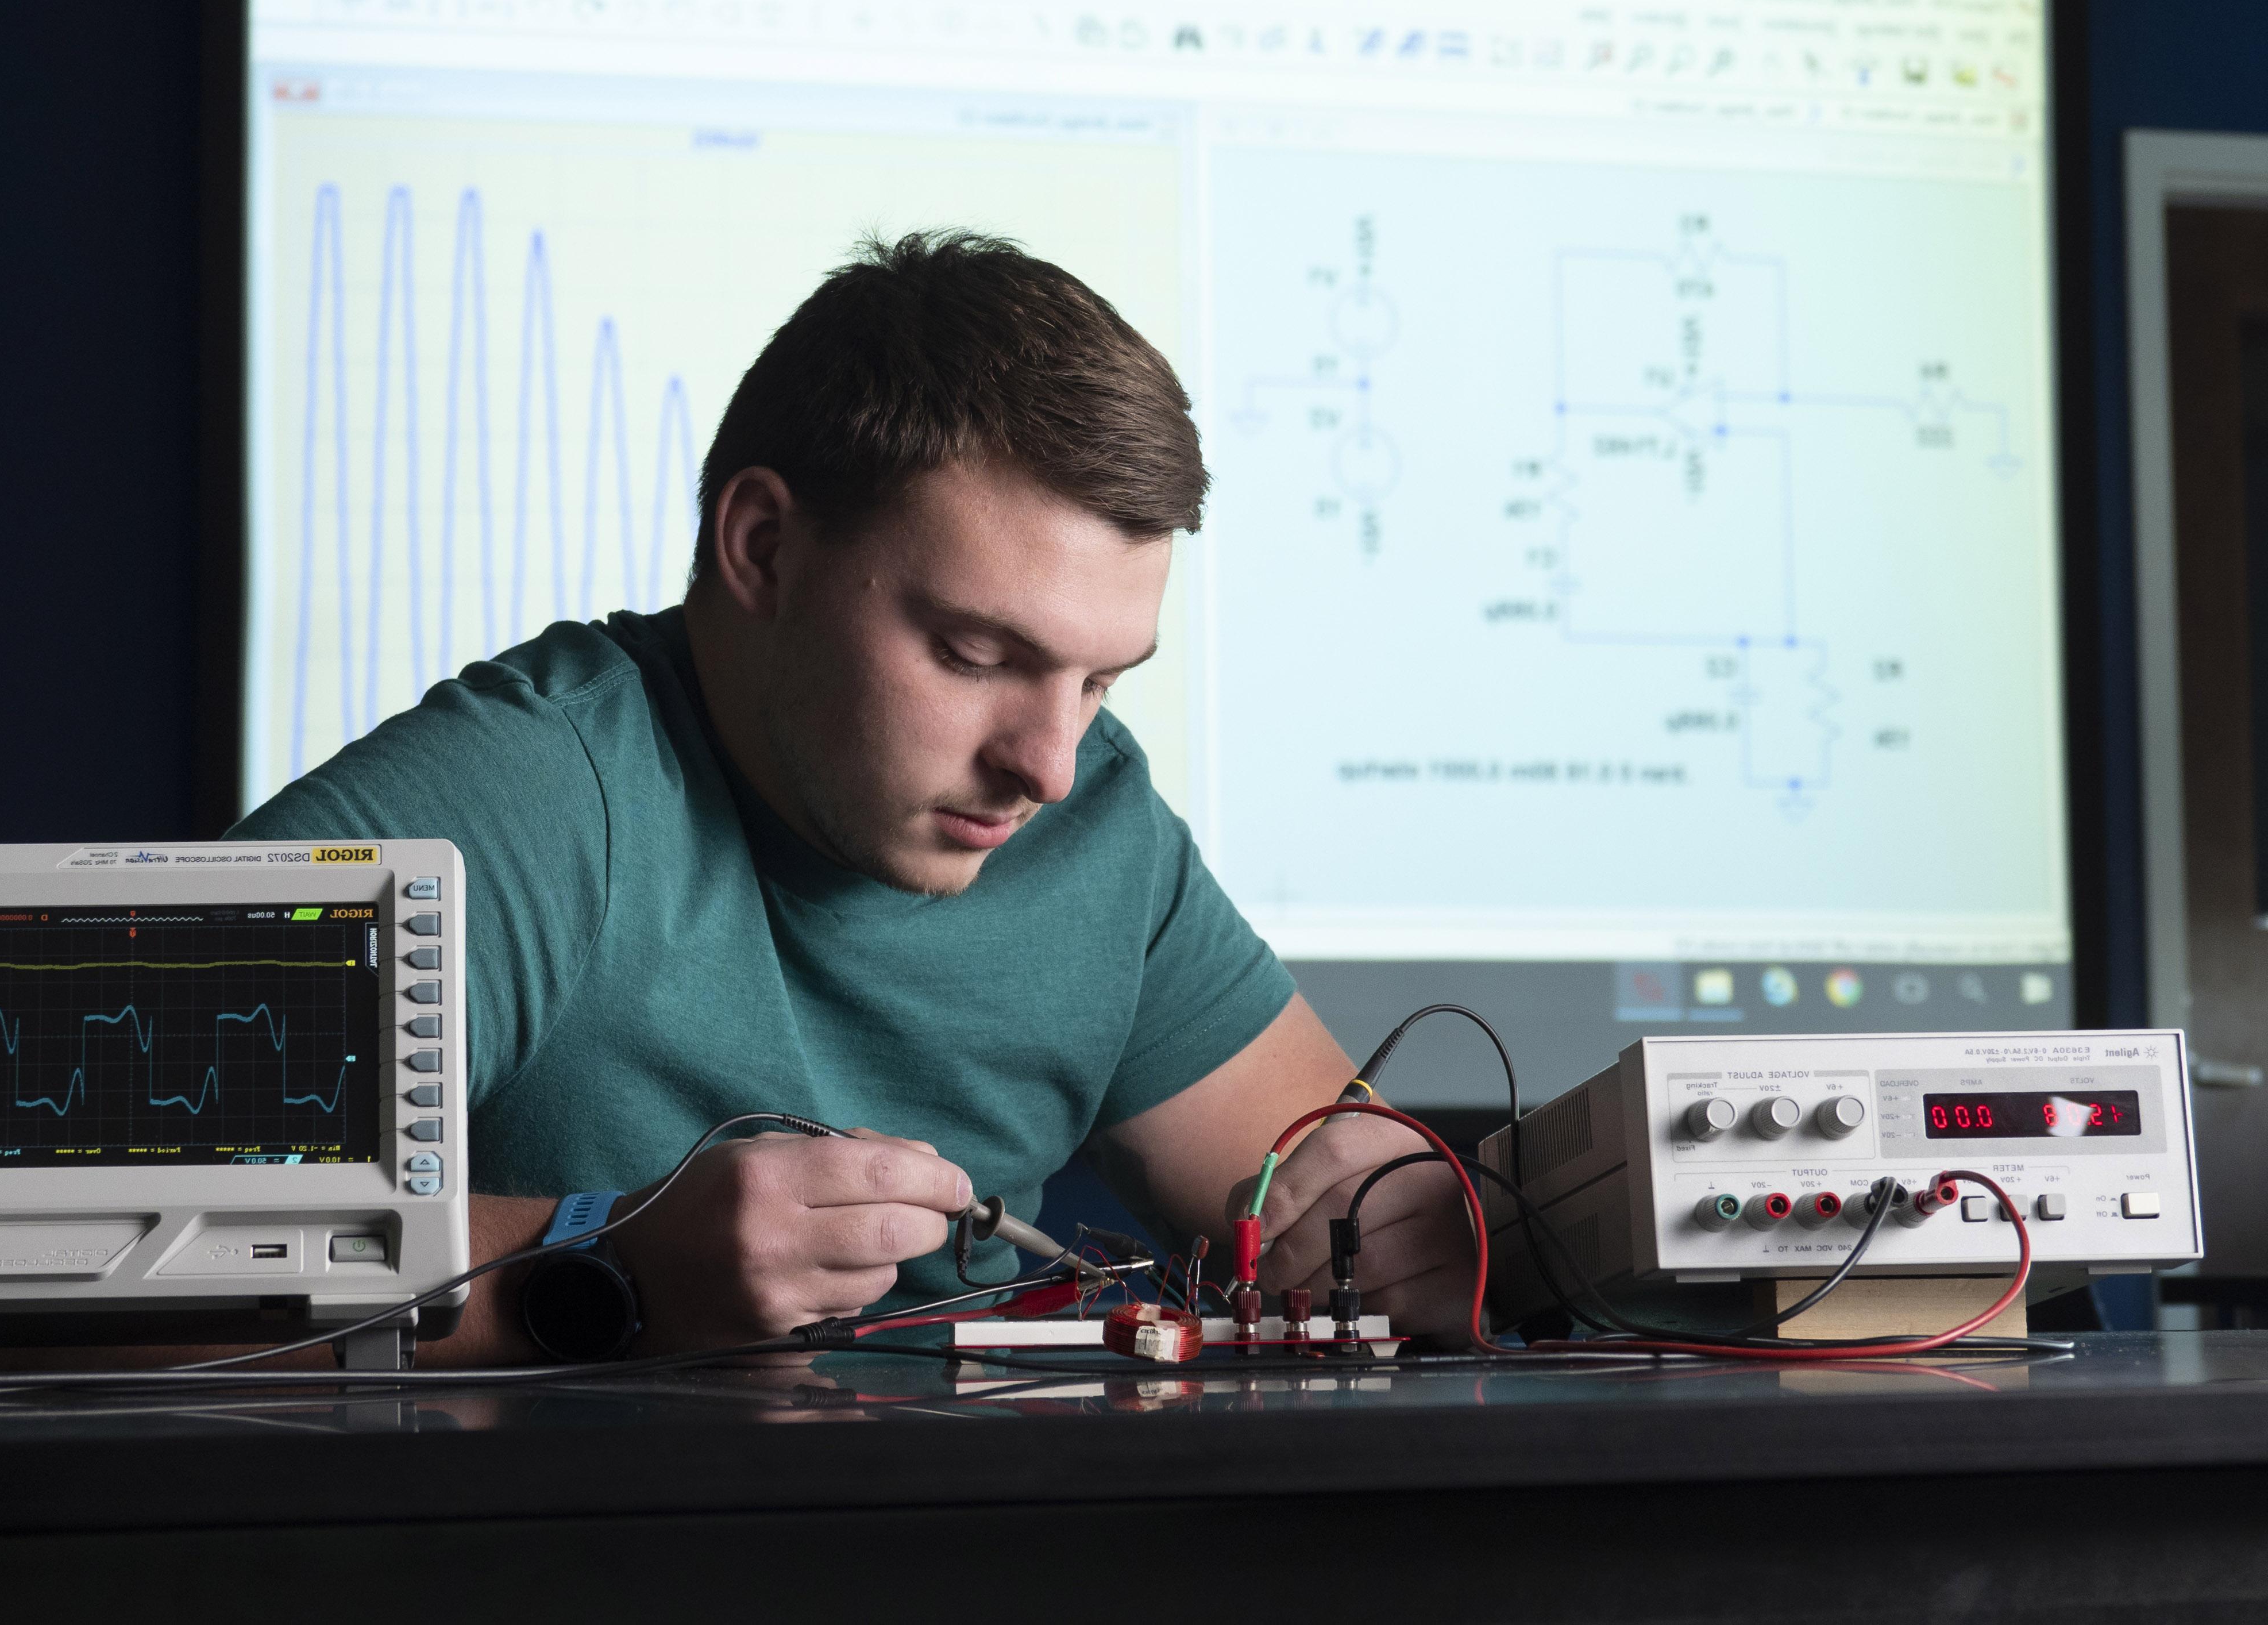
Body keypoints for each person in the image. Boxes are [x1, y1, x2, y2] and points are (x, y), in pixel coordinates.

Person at [234, 230, 1474, 1360]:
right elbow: (61, 1275)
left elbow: (1333, 1190)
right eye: (978, 657)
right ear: (764, 547)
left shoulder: (1096, 821)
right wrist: (602, 1265)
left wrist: (1407, 1222)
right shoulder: (528, 794)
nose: (1048, 764)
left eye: (1098, 681)